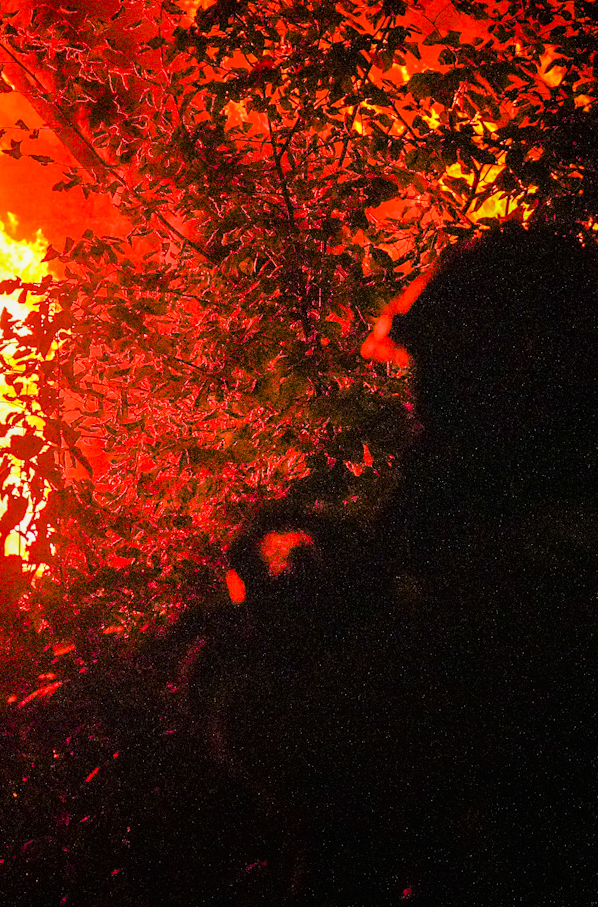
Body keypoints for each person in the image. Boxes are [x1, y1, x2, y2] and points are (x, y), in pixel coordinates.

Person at [195, 224, 598, 904]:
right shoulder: (528, 530)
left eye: (437, 386)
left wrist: (233, 656)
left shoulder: (538, 569)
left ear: (506, 383)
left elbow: (325, 745)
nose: (420, 419)